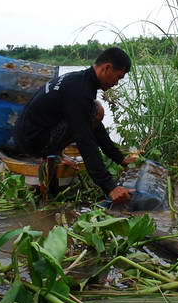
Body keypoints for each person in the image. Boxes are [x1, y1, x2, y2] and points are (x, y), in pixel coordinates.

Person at [14, 47, 135, 203]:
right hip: (34, 143)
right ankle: (52, 153)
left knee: (94, 110)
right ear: (107, 68)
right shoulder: (80, 92)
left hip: (27, 135)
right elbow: (85, 140)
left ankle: (57, 153)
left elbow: (95, 127)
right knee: (93, 113)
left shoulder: (78, 80)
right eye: (118, 77)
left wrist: (120, 158)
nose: (116, 83)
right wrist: (110, 187)